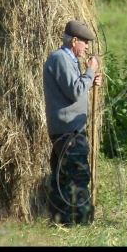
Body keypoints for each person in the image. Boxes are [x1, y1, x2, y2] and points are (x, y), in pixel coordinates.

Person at [43, 20, 102, 226]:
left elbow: (77, 86)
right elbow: (76, 91)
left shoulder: (70, 61)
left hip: (67, 129)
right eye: (85, 42)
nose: (87, 47)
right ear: (74, 40)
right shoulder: (60, 59)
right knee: (78, 176)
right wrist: (90, 72)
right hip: (69, 130)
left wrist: (91, 78)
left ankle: (59, 220)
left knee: (62, 177)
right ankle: (78, 221)